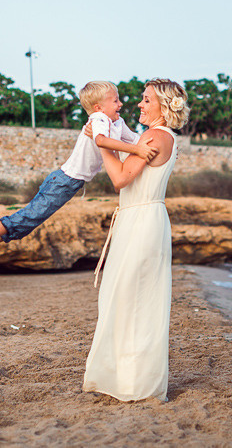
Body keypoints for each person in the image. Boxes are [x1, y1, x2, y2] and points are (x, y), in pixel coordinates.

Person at [0, 81, 157, 280]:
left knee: (26, 225)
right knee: (26, 218)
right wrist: (137, 150)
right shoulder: (99, 119)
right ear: (98, 108)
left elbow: (137, 139)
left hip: (69, 184)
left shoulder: (117, 123)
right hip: (63, 182)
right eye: (115, 101)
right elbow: (101, 140)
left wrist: (159, 136)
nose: (121, 104)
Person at [83, 78, 190, 402]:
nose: (139, 104)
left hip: (141, 222)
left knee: (130, 299)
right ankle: (127, 379)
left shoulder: (155, 136)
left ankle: (132, 383)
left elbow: (119, 179)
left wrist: (101, 143)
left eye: (146, 100)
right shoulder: (161, 135)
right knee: (134, 300)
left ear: (163, 107)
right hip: (142, 219)